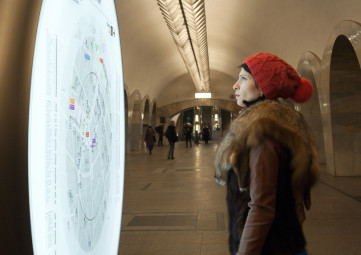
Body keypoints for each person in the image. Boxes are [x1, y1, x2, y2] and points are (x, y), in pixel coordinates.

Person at [214, 53, 319, 255]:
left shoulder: (262, 133)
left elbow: (261, 207)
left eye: (243, 78)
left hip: (270, 247)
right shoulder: (277, 125)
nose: (235, 85)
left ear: (263, 87)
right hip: (282, 242)